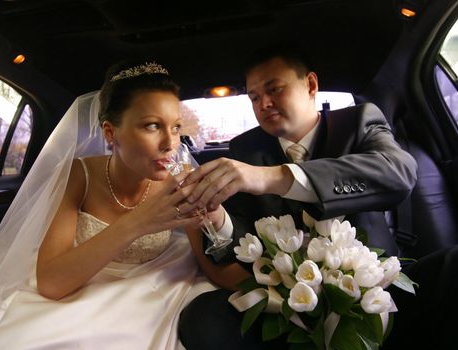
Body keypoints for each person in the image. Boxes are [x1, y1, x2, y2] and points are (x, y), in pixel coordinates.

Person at [178, 45, 458, 349]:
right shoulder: (245, 150)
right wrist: (219, 220)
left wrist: (273, 177)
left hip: (380, 293)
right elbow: (240, 234)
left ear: (310, 84)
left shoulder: (359, 122)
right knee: (203, 314)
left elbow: (398, 172)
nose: (264, 104)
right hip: (289, 309)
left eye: (274, 89)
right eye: (255, 98)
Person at [0, 60, 216, 349]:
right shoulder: (79, 175)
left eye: (176, 126)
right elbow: (51, 284)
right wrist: (138, 222)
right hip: (74, 288)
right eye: (152, 126)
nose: (171, 143)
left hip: (151, 295)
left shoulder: (182, 181)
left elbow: (215, 269)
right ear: (110, 133)